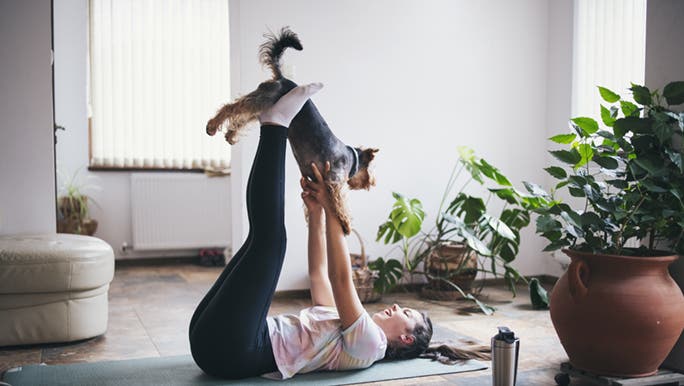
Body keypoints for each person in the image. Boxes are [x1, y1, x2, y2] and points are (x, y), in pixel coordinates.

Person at [188, 83, 477, 380]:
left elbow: (341, 279)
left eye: (406, 314)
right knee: (260, 241)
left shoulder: (370, 346)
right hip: (213, 342)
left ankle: (274, 126)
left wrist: (334, 207)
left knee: (270, 243)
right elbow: (319, 274)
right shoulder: (341, 322)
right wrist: (316, 212)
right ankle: (274, 125)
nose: (396, 306)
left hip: (236, 351)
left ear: (406, 339)